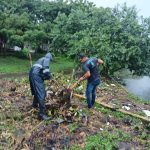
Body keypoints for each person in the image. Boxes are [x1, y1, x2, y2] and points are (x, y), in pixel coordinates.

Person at [29, 52, 53, 120]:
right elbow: (46, 70)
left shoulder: (40, 59)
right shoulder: (46, 59)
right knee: (42, 93)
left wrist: (47, 77)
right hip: (36, 75)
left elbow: (42, 73)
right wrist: (50, 77)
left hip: (32, 73)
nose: (49, 62)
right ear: (50, 58)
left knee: (37, 91)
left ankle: (34, 105)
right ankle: (41, 114)